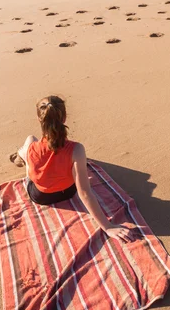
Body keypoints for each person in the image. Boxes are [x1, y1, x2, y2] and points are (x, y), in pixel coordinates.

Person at [17, 95, 133, 243]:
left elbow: (33, 177)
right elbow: (84, 192)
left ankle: (23, 156)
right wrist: (107, 226)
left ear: (39, 119)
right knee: (70, 161)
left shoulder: (33, 148)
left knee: (30, 140)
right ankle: (28, 158)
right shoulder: (76, 149)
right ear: (64, 117)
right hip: (68, 192)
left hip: (41, 196)